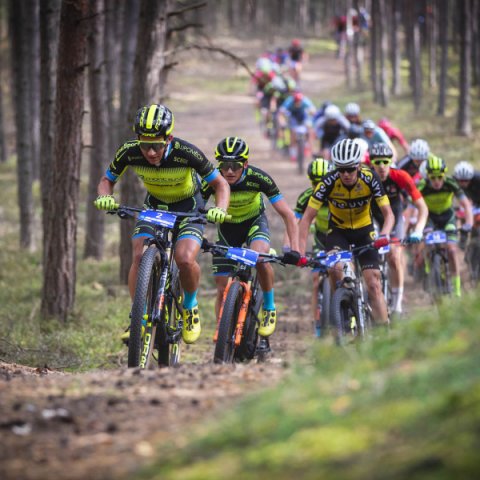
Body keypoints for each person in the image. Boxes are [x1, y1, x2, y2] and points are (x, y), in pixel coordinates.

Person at [94, 104, 230, 344]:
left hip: (188, 209)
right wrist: (105, 195)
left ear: (169, 139)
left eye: (156, 145)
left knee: (185, 259)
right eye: (145, 145)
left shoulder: (186, 152)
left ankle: (189, 307)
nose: (150, 152)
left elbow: (221, 184)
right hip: (155, 208)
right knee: (138, 255)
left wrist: (219, 209)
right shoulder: (129, 151)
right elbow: (107, 179)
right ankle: (138, 317)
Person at [201, 137, 300, 338]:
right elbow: (196, 209)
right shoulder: (211, 181)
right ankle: (223, 327)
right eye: (225, 165)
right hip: (227, 229)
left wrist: (294, 249)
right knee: (221, 286)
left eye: (235, 166)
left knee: (260, 258)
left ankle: (270, 308)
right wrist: (199, 235)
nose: (229, 171)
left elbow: (288, 215)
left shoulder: (258, 178)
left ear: (245, 164)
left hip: (254, 224)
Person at [298, 138, 395, 326]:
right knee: (334, 269)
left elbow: (388, 214)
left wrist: (384, 234)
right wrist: (300, 252)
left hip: (365, 231)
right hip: (338, 232)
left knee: (374, 284)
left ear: (358, 165)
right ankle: (340, 308)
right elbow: (307, 218)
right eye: (341, 169)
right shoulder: (328, 182)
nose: (346, 174)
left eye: (350, 169)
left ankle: (385, 332)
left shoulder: (370, 178)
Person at [369, 143, 428, 316]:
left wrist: (418, 230)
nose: (381, 166)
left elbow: (422, 207)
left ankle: (396, 305)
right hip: (371, 217)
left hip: (394, 217)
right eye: (377, 161)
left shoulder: (400, 176)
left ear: (391, 161)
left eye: (385, 161)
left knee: (394, 255)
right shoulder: (365, 177)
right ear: (371, 162)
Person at [417, 156, 473, 297]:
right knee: (427, 244)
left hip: (448, 218)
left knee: (452, 251)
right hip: (430, 218)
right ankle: (429, 271)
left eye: (439, 177)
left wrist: (468, 224)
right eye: (433, 177)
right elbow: (412, 208)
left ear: (444, 175)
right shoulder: (422, 186)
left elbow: (466, 204)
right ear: (427, 175)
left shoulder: (451, 183)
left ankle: (457, 290)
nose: (436, 181)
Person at [292, 158, 331, 335]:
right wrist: (292, 248)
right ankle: (317, 324)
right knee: (316, 281)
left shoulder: (337, 193)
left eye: (323, 181)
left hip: (340, 238)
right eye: (315, 182)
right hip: (321, 240)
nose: (319, 186)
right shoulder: (307, 196)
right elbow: (295, 223)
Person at [278, 91, 316, 164]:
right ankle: (293, 153)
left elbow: (313, 110)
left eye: (299, 102)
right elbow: (281, 112)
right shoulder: (289, 101)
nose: (298, 103)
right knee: (293, 132)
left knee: (309, 129)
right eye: (296, 102)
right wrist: (282, 121)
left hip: (303, 117)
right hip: (293, 117)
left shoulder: (305, 101)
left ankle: (309, 148)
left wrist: (312, 112)